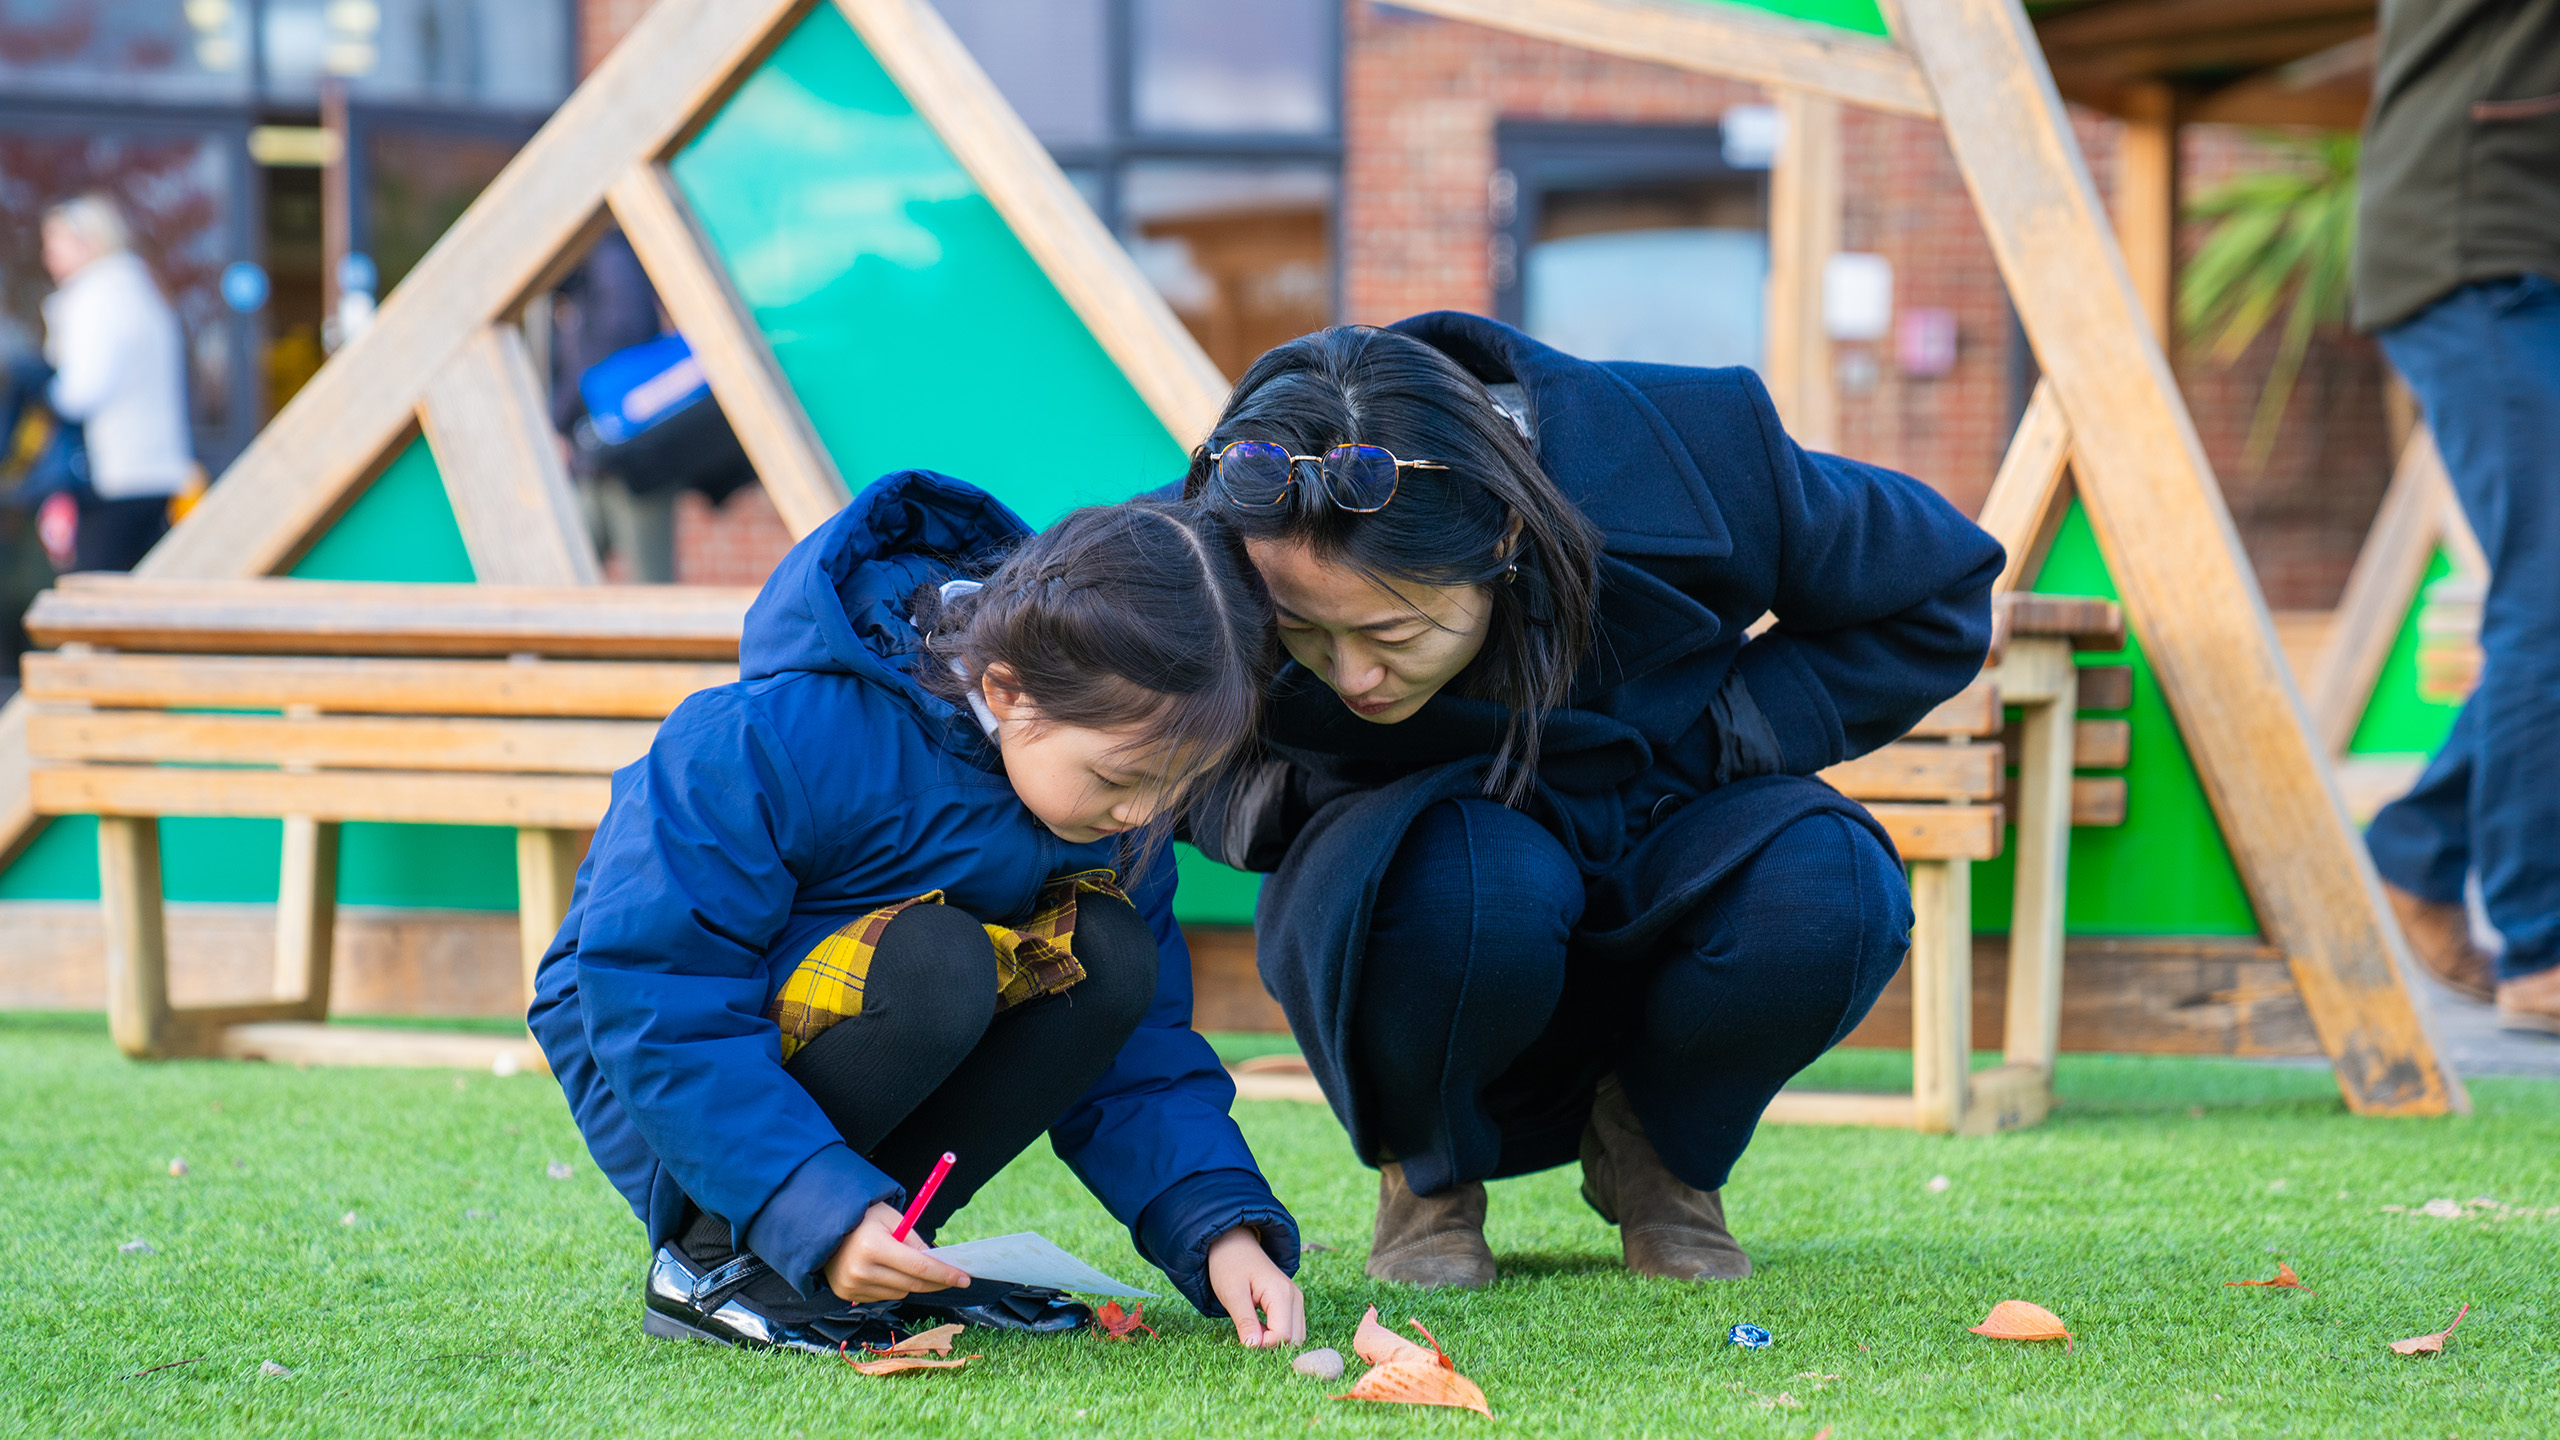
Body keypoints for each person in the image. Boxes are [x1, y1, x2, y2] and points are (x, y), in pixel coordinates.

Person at [1184, 317, 2000, 1288]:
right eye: (1307, 638)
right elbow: (1121, 711)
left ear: (1504, 537)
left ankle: (1659, 1154)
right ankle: (1428, 1178)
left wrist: (1722, 735)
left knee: (1828, 890)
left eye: (1393, 631)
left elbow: (1941, 579)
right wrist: (1302, 798)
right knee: (1472, 880)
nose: (1354, 678)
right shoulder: (1218, 528)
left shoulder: (1702, 449)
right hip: (1410, 897)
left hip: (1661, 826)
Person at [530, 470, 1305, 1353]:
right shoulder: (769, 737)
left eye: (1179, 787)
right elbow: (653, 993)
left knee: (1112, 952)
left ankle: (878, 1250)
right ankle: (711, 1263)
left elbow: (1142, 1055)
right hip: (650, 1061)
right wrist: (803, 1200)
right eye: (1122, 779)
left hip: (834, 1037)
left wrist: (1216, 1226)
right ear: (1009, 691)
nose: (1143, 815)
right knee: (938, 961)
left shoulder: (1118, 817)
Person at [2353, 0, 2560, 1034]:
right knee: (2551, 589)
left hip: (2518, 251)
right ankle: (2540, 943)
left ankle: (2422, 849)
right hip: (2476, 250)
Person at [38, 193, 193, 572]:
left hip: (111, 474)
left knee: (93, 602)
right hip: (157, 471)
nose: (48, 257)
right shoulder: (144, 292)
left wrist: (44, 388)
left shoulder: (95, 297)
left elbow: (81, 392)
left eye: (53, 243)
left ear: (87, 243)